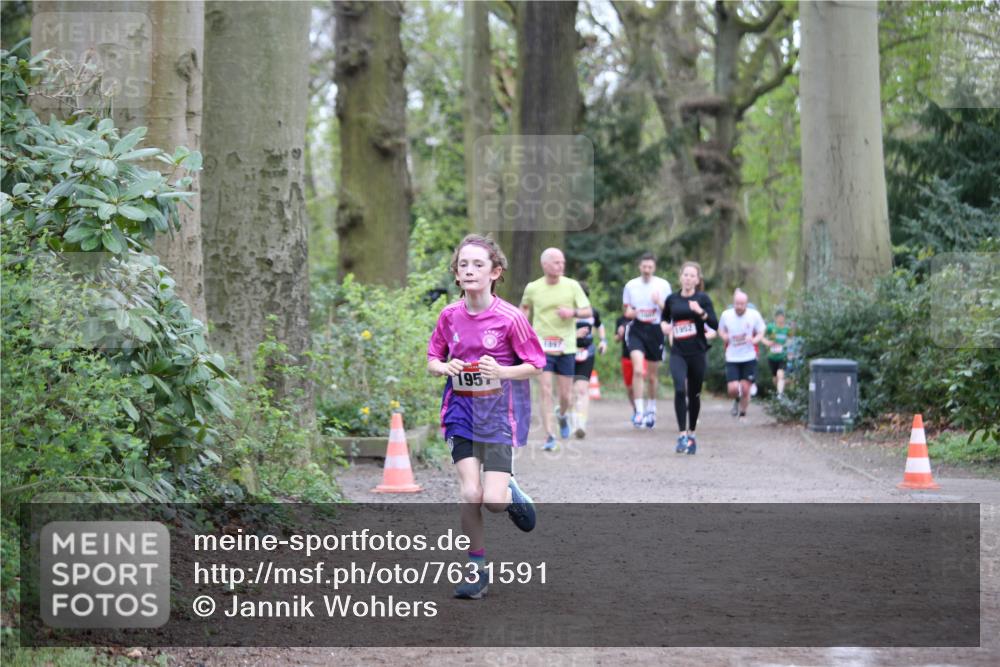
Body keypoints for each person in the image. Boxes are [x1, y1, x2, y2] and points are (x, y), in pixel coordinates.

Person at [427, 234, 546, 599]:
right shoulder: (449, 316)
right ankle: (476, 570)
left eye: (478, 264)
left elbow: (536, 364)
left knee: (493, 500)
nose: (469, 270)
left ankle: (509, 489)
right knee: (469, 493)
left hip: (497, 417)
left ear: (495, 272)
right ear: (456, 273)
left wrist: (502, 373)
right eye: (463, 264)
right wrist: (445, 367)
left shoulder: (510, 318)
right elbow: (432, 360)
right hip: (461, 412)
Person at [520, 248, 592, 451]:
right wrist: (520, 330)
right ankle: (550, 436)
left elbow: (587, 310)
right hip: (541, 346)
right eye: (556, 262)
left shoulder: (572, 286)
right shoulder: (533, 288)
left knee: (566, 395)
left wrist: (573, 312)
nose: (561, 265)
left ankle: (562, 415)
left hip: (566, 346)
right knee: (545, 389)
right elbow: (524, 310)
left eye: (562, 262)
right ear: (545, 265)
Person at [660, 261, 717, 455]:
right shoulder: (672, 299)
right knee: (678, 389)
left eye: (692, 276)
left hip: (697, 352)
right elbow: (664, 318)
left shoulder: (702, 298)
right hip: (678, 352)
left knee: (694, 394)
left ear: (698, 280)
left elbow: (715, 324)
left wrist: (700, 312)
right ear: (680, 277)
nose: (688, 278)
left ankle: (692, 433)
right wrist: (664, 326)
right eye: (686, 275)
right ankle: (681, 435)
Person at [622, 252, 671, 429]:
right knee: (638, 370)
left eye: (650, 267)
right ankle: (639, 411)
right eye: (644, 267)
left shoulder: (663, 285)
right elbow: (626, 311)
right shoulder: (631, 285)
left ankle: (651, 407)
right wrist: (631, 313)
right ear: (639, 267)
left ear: (654, 268)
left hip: (655, 330)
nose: (647, 270)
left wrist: (659, 302)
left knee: (651, 376)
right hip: (637, 329)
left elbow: (669, 311)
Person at [718, 289, 766, 423]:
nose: (739, 306)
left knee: (745, 388)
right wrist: (724, 337)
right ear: (733, 303)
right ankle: (736, 398)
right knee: (732, 389)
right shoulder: (726, 315)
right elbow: (720, 330)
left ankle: (743, 413)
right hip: (732, 357)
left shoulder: (754, 315)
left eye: (742, 304)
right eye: (737, 304)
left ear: (746, 303)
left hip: (748, 357)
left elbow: (762, 330)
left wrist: (755, 339)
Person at [570, 282, 607, 439]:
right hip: (568, 352)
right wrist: (574, 334)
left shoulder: (593, 312)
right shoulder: (567, 313)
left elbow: (600, 325)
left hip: (587, 352)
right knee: (569, 392)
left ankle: (581, 424)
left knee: (582, 389)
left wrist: (603, 341)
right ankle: (570, 420)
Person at [615, 313, 644, 421]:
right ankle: (636, 409)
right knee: (629, 388)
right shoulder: (620, 319)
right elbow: (616, 339)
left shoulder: (640, 317)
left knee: (639, 375)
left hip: (640, 355)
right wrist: (620, 334)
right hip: (626, 357)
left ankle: (641, 410)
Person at [762, 309, 791, 396]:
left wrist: (786, 346)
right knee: (775, 378)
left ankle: (780, 395)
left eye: (782, 317)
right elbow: (761, 336)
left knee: (780, 374)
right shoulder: (771, 327)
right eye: (779, 317)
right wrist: (768, 343)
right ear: (775, 318)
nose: (780, 319)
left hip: (783, 356)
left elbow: (790, 340)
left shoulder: (787, 329)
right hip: (772, 356)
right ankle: (780, 389)